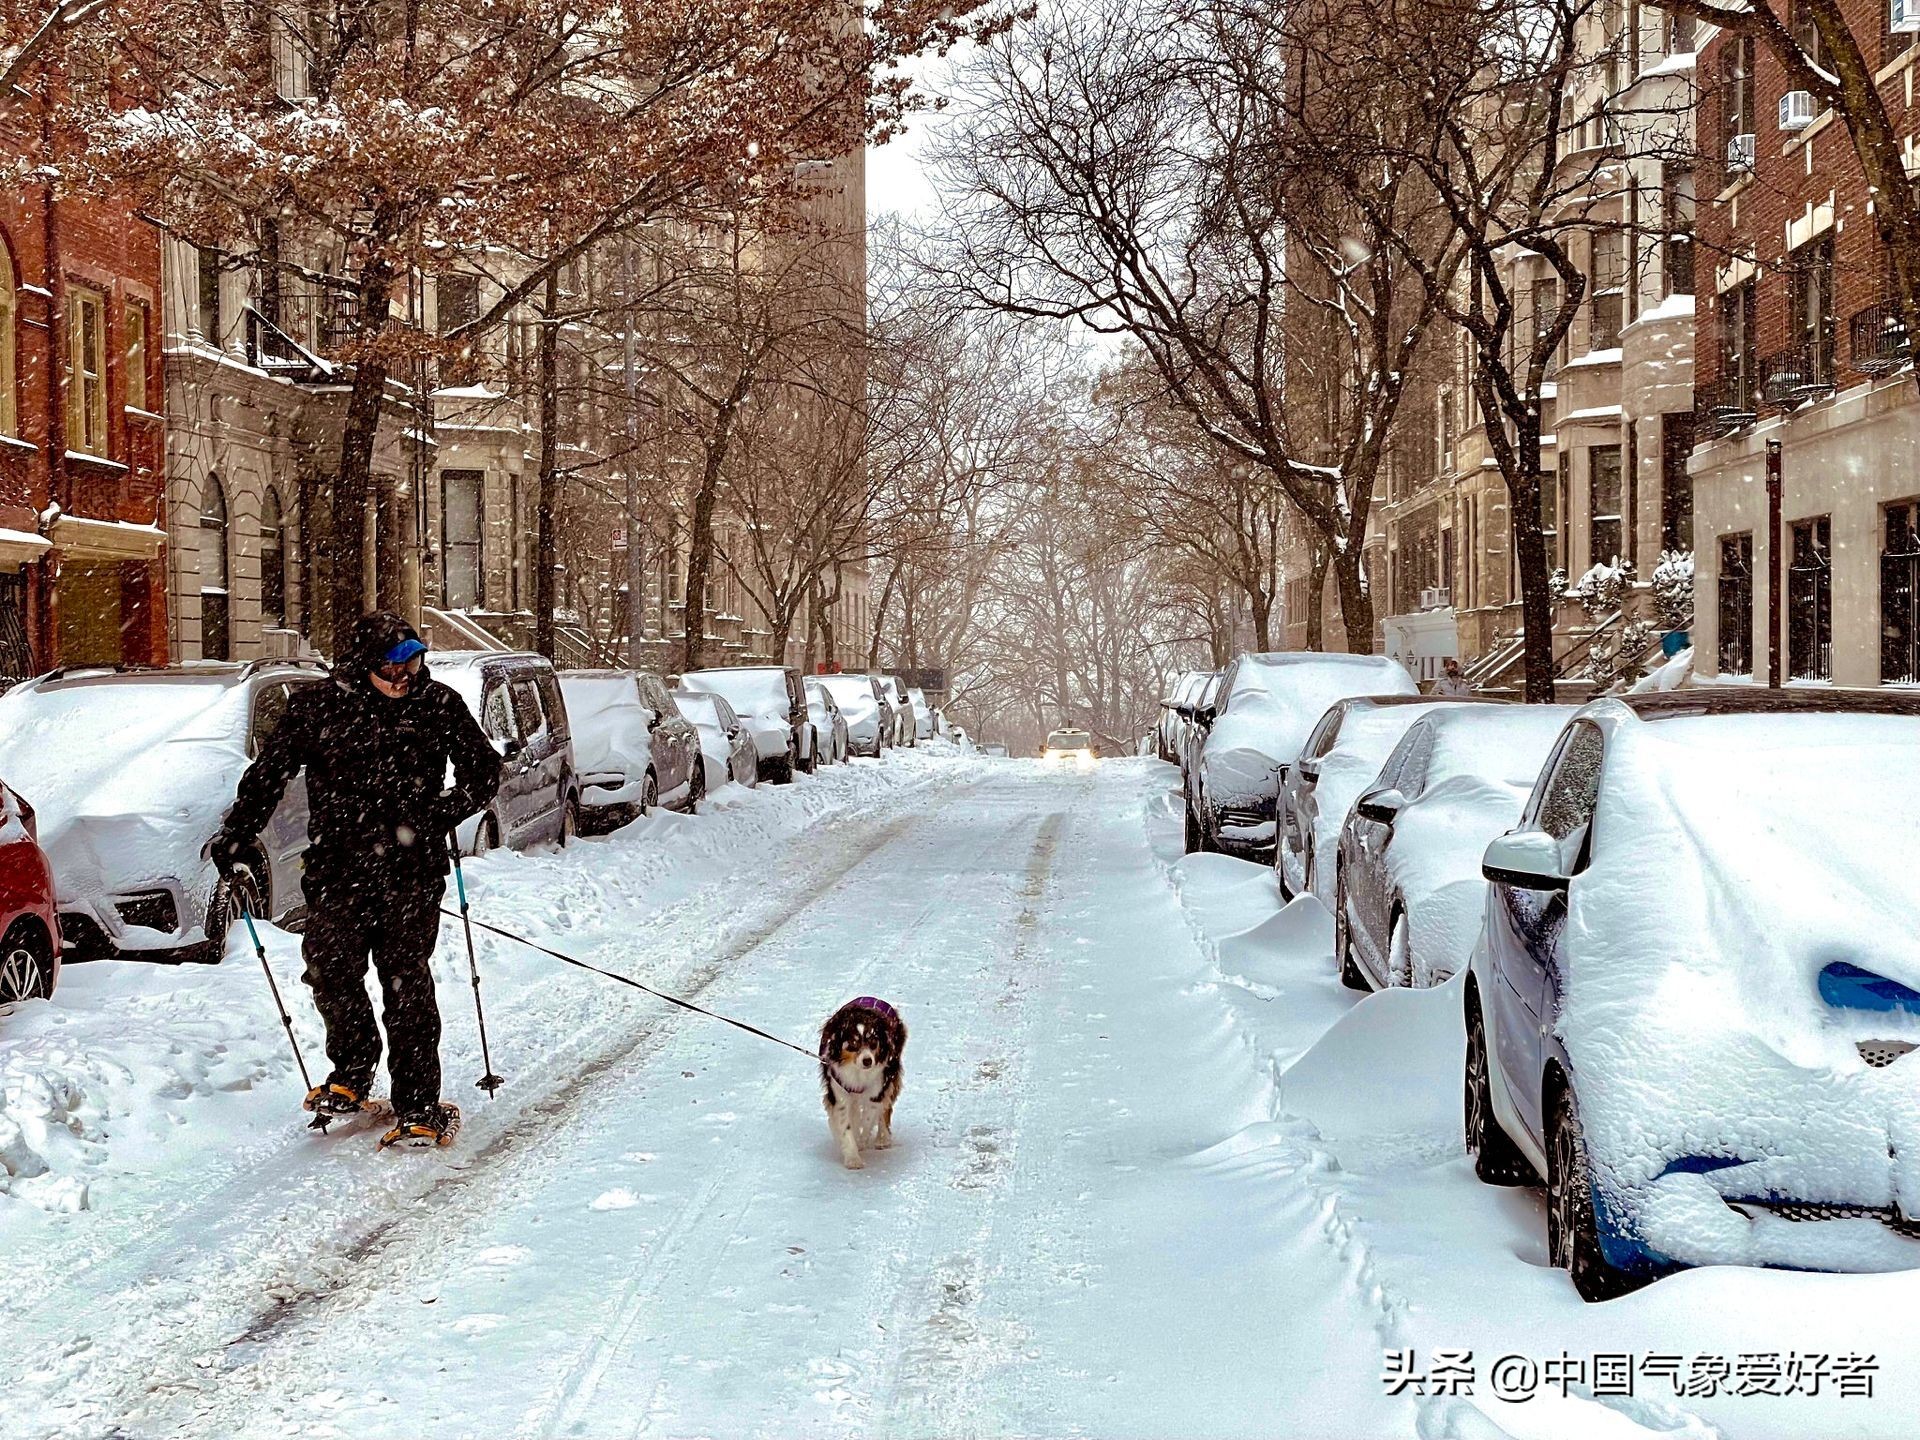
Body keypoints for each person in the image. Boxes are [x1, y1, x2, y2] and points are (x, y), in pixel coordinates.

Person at [213, 611, 501, 1147]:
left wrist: (439, 814)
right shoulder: (318, 707)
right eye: (392, 667)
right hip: (337, 870)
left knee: (405, 982)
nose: (404, 677)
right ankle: (352, 1070)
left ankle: (418, 1103)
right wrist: (238, 833)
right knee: (330, 972)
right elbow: (270, 772)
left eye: (413, 664)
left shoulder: (437, 705)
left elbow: (484, 771)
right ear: (363, 663)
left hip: (411, 873)